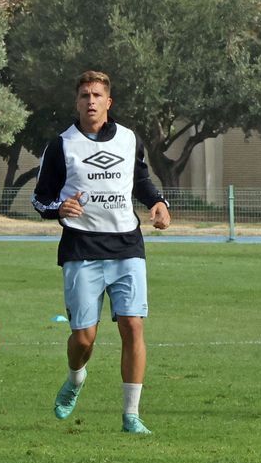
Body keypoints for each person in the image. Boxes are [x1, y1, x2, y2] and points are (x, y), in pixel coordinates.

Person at [32, 70, 170, 435]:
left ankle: (131, 415)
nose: (90, 101)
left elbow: (139, 180)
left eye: (96, 95)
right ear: (76, 103)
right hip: (81, 248)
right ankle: (76, 378)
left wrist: (157, 201)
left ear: (109, 102)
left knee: (133, 326)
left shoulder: (128, 140)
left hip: (127, 245)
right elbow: (39, 197)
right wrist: (58, 209)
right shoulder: (61, 145)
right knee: (83, 337)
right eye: (84, 95)